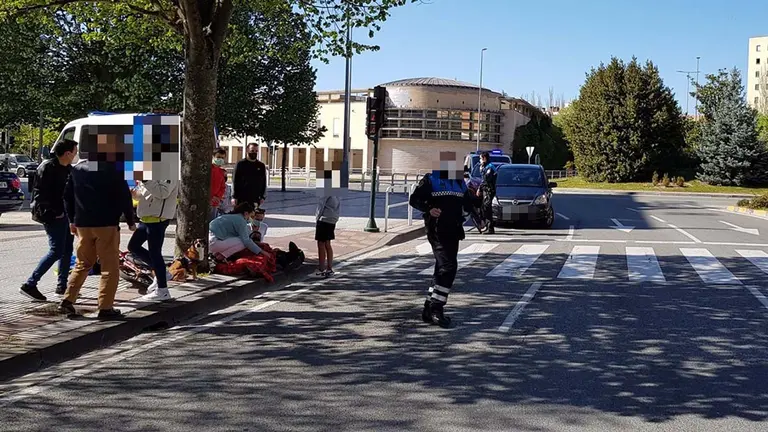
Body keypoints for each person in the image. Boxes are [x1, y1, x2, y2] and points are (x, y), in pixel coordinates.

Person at [59, 158, 136, 320]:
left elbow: (67, 196)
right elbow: (124, 197)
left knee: (82, 263)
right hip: (106, 224)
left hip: (83, 224)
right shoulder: (113, 169)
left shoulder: (77, 169)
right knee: (110, 267)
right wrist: (130, 221)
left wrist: (72, 220)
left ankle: (67, 300)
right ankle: (105, 307)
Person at [409, 151, 475, 328]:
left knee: (442, 268)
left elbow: (468, 204)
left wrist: (478, 210)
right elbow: (414, 199)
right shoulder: (431, 180)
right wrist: (428, 208)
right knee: (448, 267)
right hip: (437, 229)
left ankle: (428, 308)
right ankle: (437, 308)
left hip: (454, 229)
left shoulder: (460, 183)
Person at [19, 139, 79, 301]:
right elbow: (40, 194)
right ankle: (30, 284)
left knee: (67, 250)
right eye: (75, 151)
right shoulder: (47, 168)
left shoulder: (69, 169)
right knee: (56, 250)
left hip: (67, 216)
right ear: (67, 153)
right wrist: (54, 213)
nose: (76, 154)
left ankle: (62, 285)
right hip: (53, 215)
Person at [128, 178, 179, 302]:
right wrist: (134, 193)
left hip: (157, 219)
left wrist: (145, 180)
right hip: (146, 218)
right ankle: (162, 272)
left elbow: (163, 193)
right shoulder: (150, 172)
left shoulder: (168, 171)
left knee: (155, 253)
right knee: (133, 247)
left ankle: (163, 290)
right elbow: (144, 195)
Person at [232, 143, 267, 208]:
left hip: (255, 198)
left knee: (252, 217)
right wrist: (234, 197)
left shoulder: (261, 166)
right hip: (241, 198)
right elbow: (234, 181)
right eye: (252, 151)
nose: (254, 153)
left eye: (256, 151)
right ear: (247, 150)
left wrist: (263, 197)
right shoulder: (240, 164)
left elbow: (264, 181)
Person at [315, 193, 340, 277]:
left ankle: (321, 268)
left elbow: (321, 205)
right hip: (332, 218)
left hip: (324, 218)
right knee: (327, 244)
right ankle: (329, 267)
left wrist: (317, 218)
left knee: (321, 244)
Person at [477, 151, 498, 235]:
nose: (480, 160)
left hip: (489, 190)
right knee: (484, 208)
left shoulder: (490, 167)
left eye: (480, 158)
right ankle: (486, 226)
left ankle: (490, 228)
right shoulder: (485, 166)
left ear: (484, 158)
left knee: (487, 209)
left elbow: (486, 180)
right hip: (486, 190)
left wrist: (479, 189)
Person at [210, 147, 227, 222]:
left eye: (222, 158)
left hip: (215, 202)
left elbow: (222, 187)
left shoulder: (221, 172)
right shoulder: (208, 169)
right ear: (213, 156)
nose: (220, 159)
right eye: (218, 157)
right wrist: (210, 196)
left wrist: (217, 197)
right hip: (206, 201)